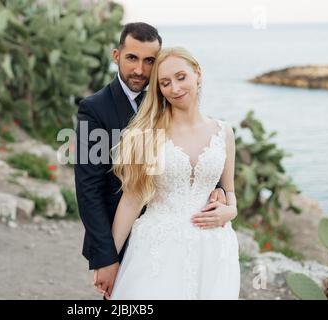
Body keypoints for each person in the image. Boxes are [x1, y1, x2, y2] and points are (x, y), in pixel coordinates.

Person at [74, 23, 227, 300]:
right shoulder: (94, 110)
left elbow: (198, 158)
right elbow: (89, 191)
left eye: (149, 61)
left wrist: (222, 194)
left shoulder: (171, 94)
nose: (140, 70)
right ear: (117, 55)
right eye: (132, 58)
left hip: (190, 239)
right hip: (124, 240)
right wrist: (106, 257)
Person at [109, 47, 240, 299]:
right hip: (158, 249)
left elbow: (229, 191)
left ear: (197, 74)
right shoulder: (147, 134)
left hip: (214, 248)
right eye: (165, 83)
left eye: (181, 77)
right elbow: (132, 200)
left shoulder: (224, 133)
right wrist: (109, 259)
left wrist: (230, 210)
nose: (175, 88)